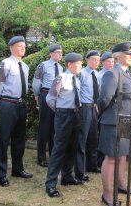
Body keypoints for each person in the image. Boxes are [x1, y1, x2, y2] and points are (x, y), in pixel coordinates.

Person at [98, 42, 131, 205]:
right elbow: (104, 99)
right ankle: (107, 194)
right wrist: (103, 114)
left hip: (127, 120)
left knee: (123, 156)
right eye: (127, 53)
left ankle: (121, 184)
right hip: (114, 121)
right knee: (111, 158)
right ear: (117, 56)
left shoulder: (126, 73)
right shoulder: (112, 73)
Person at [0, 35, 33, 187]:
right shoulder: (4, 64)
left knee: (19, 140)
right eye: (20, 45)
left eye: (24, 45)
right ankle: (1, 175)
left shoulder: (25, 66)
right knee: (3, 140)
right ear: (11, 47)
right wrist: (1, 104)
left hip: (21, 105)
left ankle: (17, 169)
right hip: (7, 105)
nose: (23, 48)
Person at [45, 52, 83, 198]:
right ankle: (50, 184)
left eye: (81, 63)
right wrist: (60, 111)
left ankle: (67, 176)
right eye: (78, 63)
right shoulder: (60, 78)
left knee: (72, 147)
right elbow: (50, 99)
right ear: (69, 64)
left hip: (76, 115)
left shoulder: (77, 78)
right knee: (59, 149)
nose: (80, 65)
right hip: (63, 116)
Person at [32, 44, 63, 167]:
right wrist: (36, 96)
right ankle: (41, 158)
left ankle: (53, 155)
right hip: (45, 95)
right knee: (44, 127)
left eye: (61, 53)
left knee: (54, 128)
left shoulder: (61, 68)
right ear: (50, 53)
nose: (59, 54)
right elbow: (36, 82)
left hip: (56, 97)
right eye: (57, 52)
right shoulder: (43, 65)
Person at [75, 50, 101, 183]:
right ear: (87, 60)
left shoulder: (97, 74)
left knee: (93, 138)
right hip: (84, 107)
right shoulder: (81, 74)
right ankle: (80, 170)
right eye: (93, 59)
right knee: (82, 139)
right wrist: (78, 108)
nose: (96, 62)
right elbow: (77, 91)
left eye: (98, 60)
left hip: (94, 107)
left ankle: (92, 165)